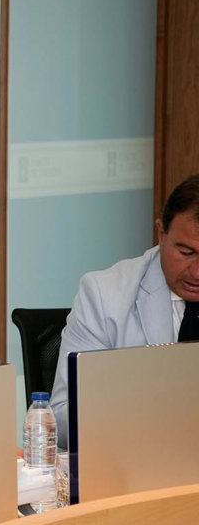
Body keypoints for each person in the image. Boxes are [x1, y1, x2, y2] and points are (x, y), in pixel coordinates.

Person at [50, 173, 199, 442]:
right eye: (186, 253)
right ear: (161, 234)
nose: (197, 272)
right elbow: (62, 419)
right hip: (137, 455)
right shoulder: (105, 295)